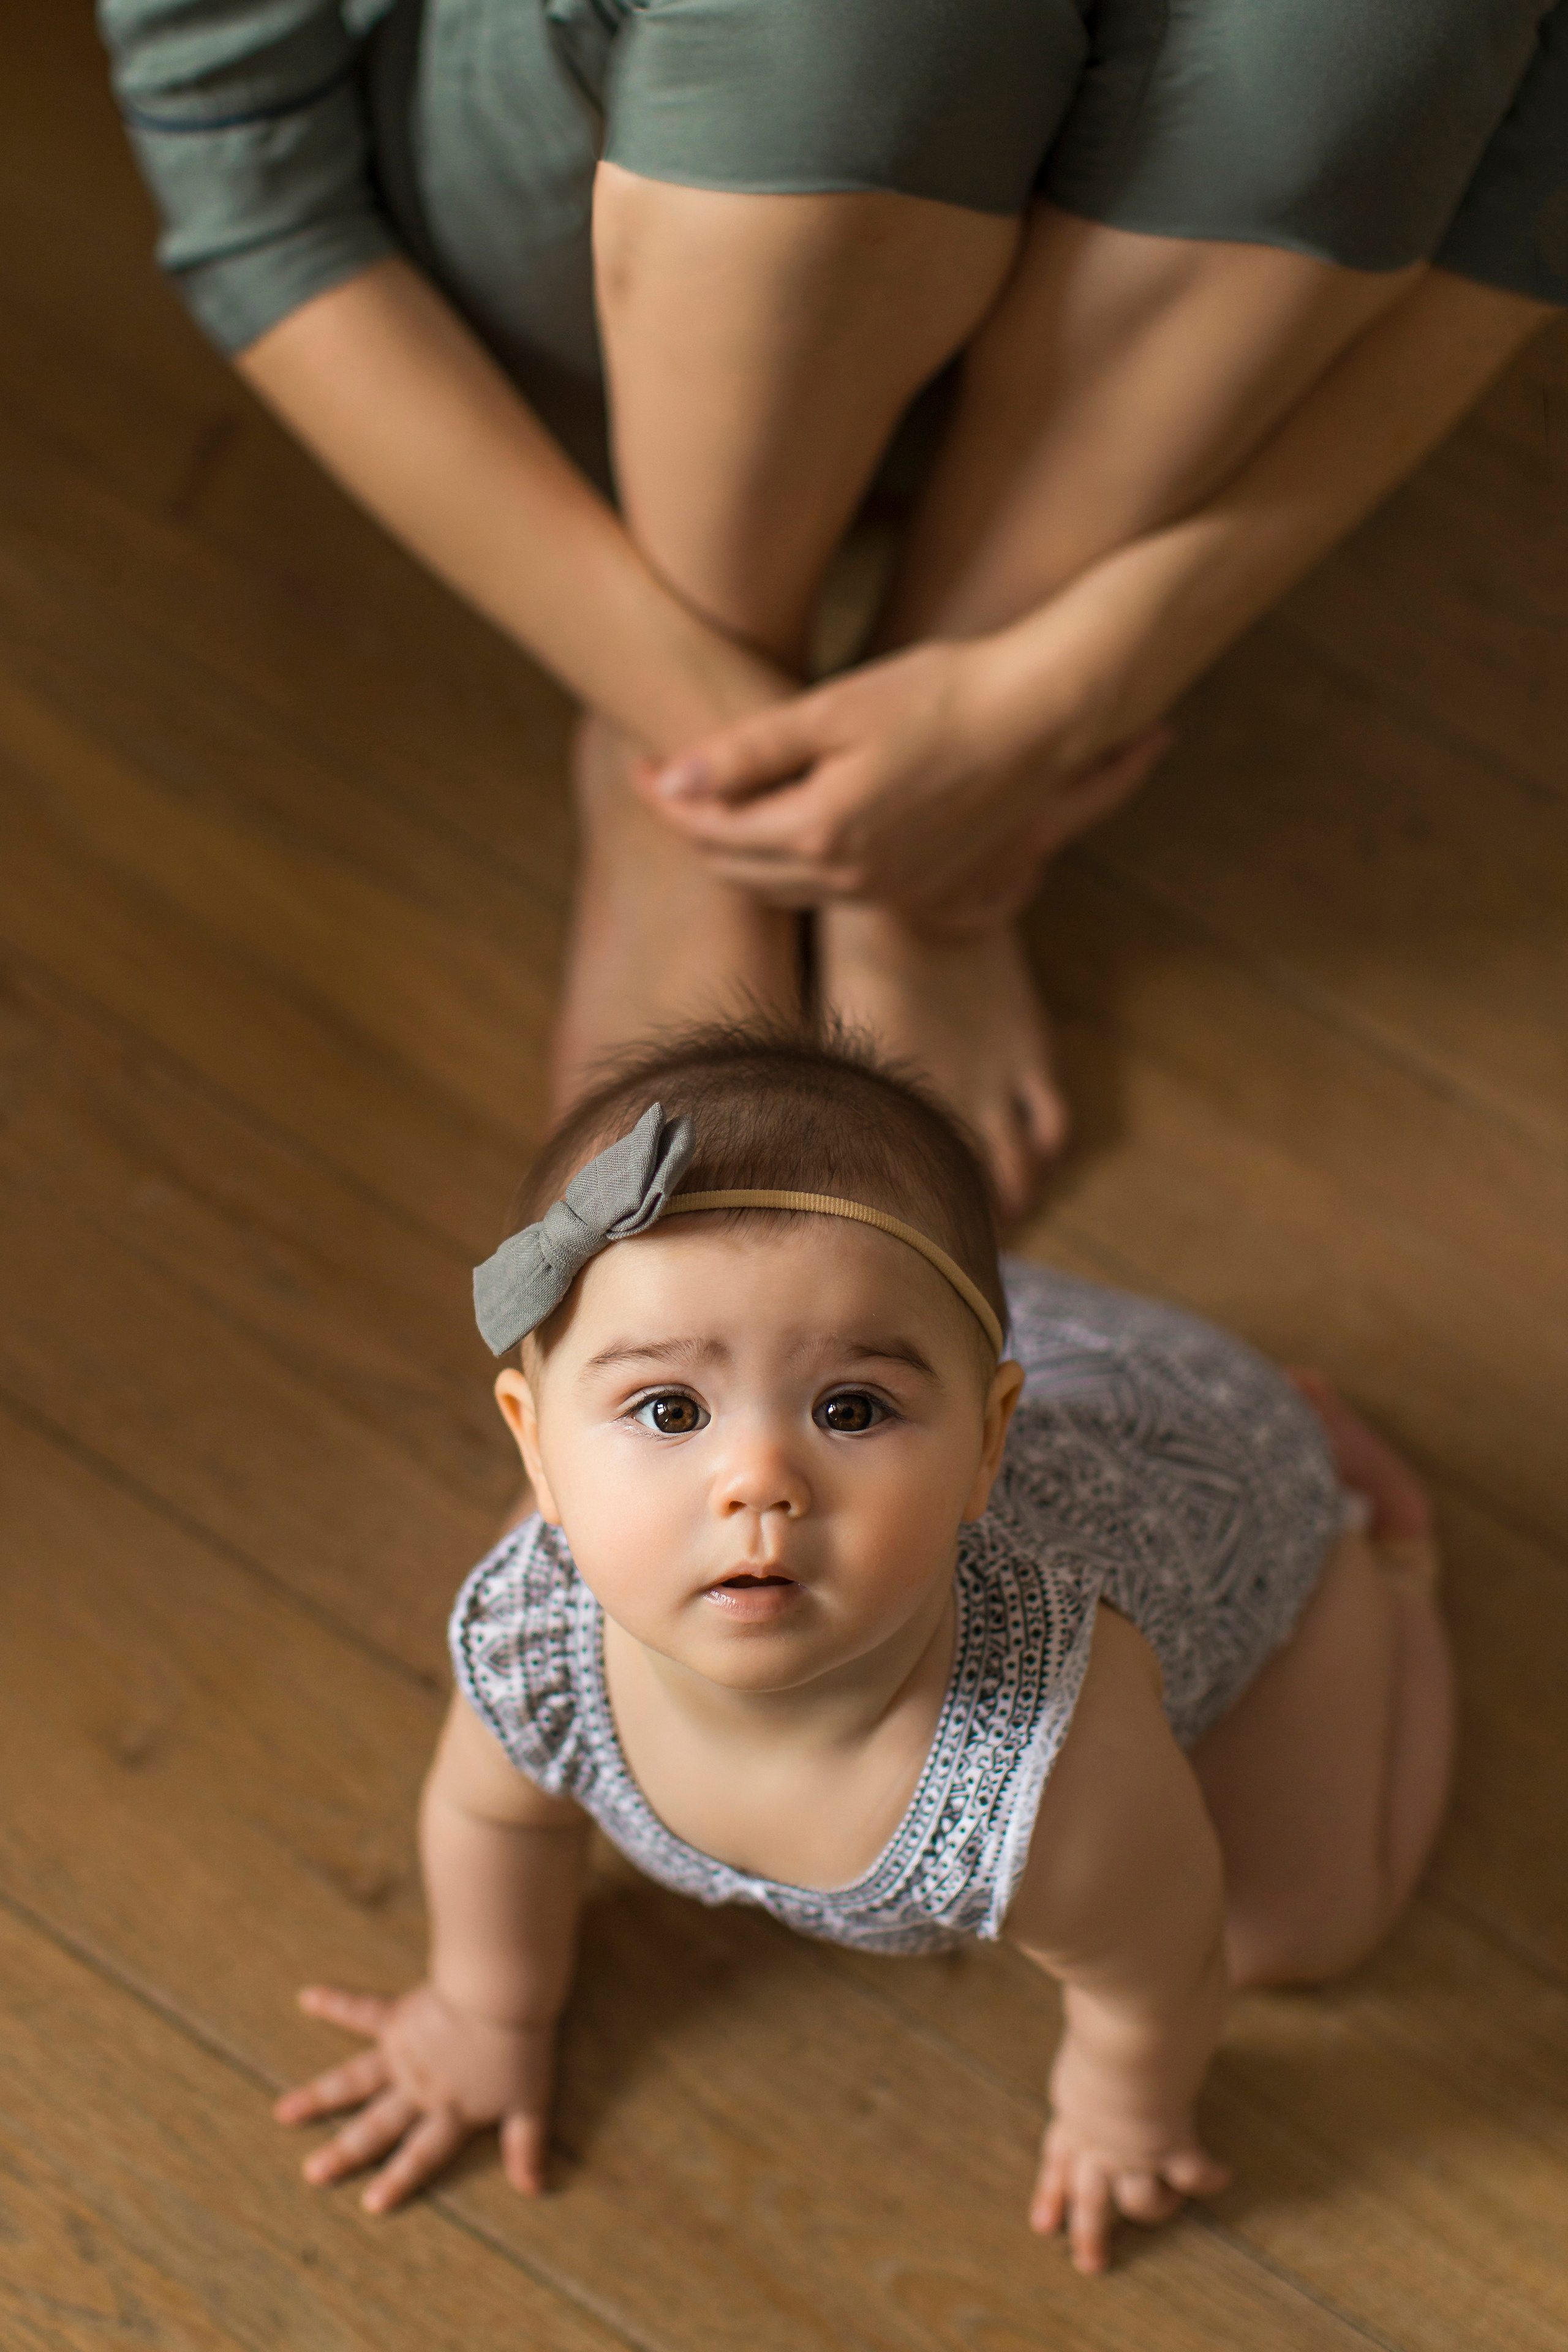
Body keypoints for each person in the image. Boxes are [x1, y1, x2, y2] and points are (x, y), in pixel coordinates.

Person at [99, 2, 1566, 1210]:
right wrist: (700, 726)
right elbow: (256, 207)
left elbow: (1525, 201)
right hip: (637, 210)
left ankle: (937, 682)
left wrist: (1060, 690)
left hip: (1180, 325)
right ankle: (692, 789)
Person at [272, 1027, 1452, 2273]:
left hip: (1215, 1483)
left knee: (1294, 1930)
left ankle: (1377, 1550)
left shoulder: (1055, 1768)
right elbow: (490, 1816)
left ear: (988, 1445)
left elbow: (1158, 1970)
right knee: (831, 1299)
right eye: (668, 1410)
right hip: (969, 1334)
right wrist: (482, 2010)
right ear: (538, 1445)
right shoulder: (532, 1628)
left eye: (849, 1413)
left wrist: (1120, 2108)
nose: (757, 1481)